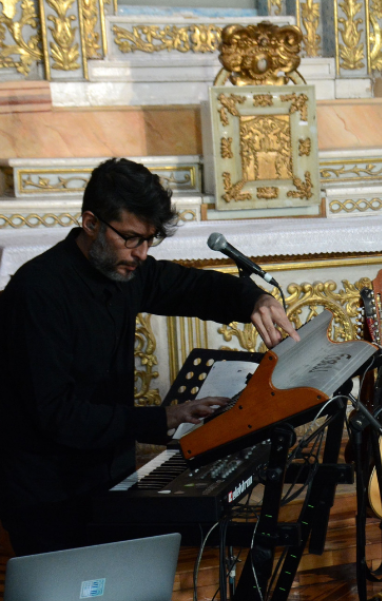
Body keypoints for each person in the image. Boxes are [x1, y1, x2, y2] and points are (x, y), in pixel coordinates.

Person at [0, 158, 299, 556]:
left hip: (104, 472)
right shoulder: (39, 293)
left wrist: (253, 299)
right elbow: (59, 415)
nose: (141, 253)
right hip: (47, 491)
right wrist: (165, 417)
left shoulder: (123, 269)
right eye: (131, 238)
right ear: (91, 223)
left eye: (150, 240)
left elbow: (189, 286)